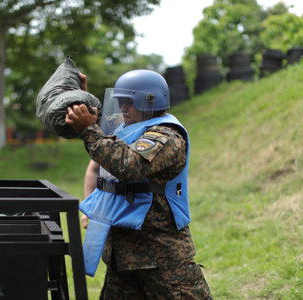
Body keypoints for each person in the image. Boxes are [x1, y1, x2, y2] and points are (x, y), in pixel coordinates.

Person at [65, 70, 212, 299]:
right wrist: (81, 99)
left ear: (150, 102)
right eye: (120, 102)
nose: (123, 108)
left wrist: (88, 130)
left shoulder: (167, 136)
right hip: (123, 255)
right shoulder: (126, 126)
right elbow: (100, 126)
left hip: (160, 256)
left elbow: (129, 165)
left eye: (129, 103)